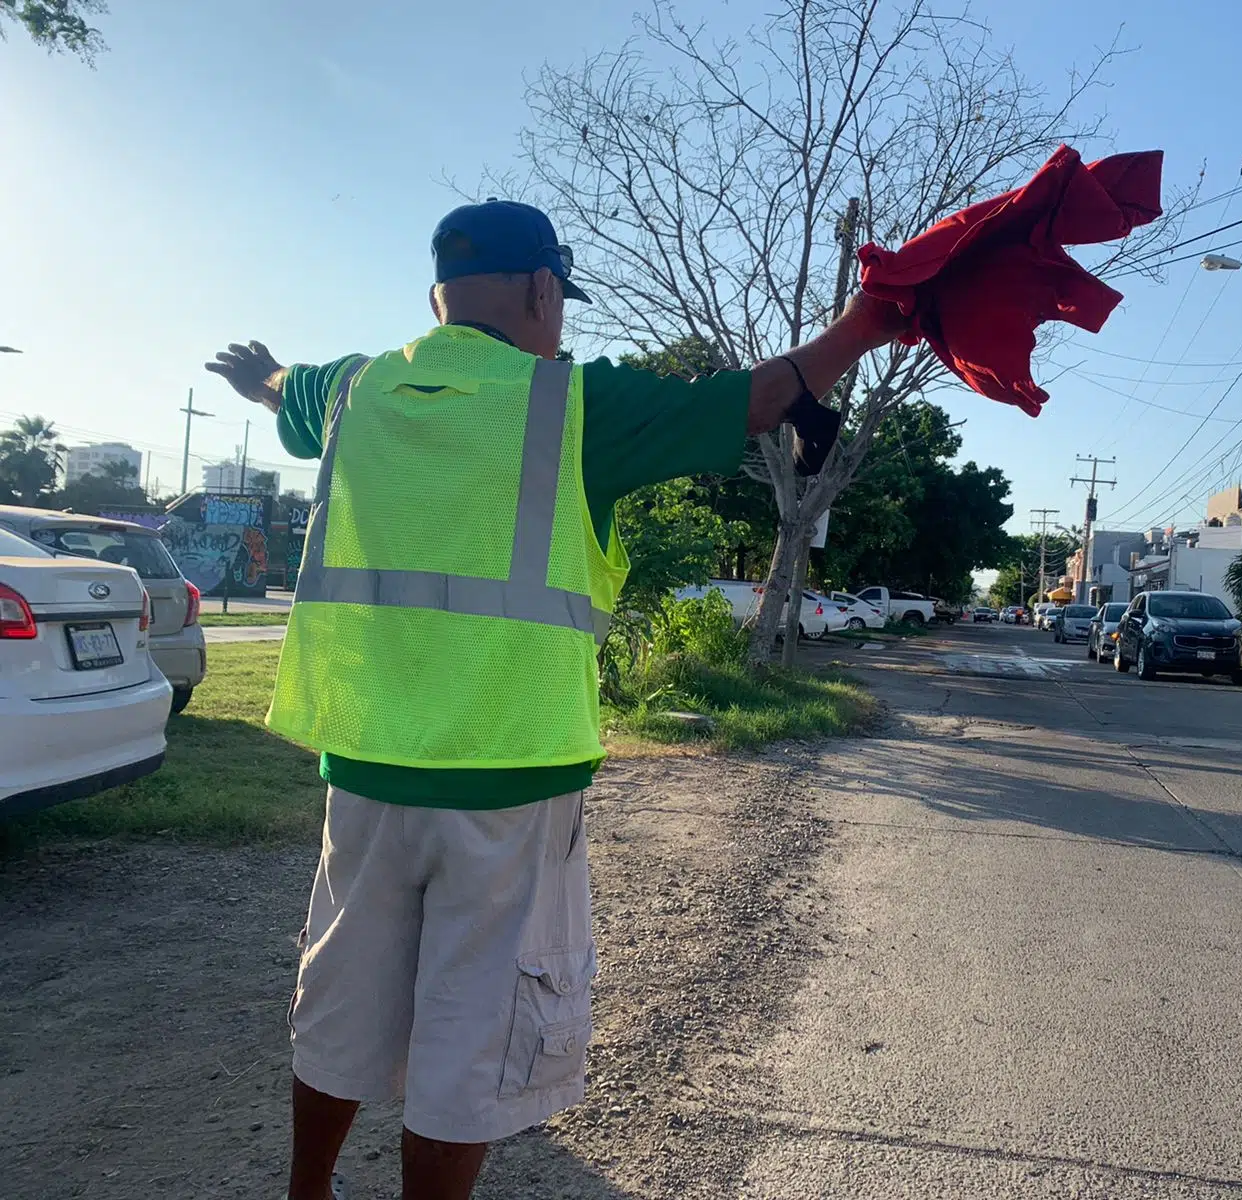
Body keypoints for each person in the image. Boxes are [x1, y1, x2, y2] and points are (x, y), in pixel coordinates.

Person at [204, 199, 906, 1200]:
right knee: (473, 1037)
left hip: (362, 772)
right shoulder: (573, 405)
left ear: (434, 298)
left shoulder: (351, 391)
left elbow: (284, 387)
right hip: (511, 783)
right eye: (560, 300)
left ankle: (305, 1191)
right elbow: (756, 400)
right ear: (543, 288)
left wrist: (259, 373)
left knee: (342, 998)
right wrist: (868, 323)